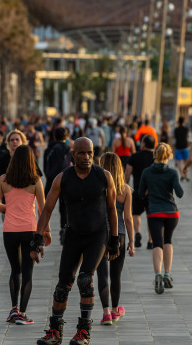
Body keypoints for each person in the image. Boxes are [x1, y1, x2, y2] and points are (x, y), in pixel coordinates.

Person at [31, 138, 120, 345]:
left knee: (85, 280)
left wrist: (114, 239)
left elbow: (112, 210)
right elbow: (47, 210)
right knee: (62, 286)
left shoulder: (104, 176)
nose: (87, 157)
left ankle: (83, 332)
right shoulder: (62, 178)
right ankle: (55, 332)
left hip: (97, 235)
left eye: (90, 153)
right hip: (73, 234)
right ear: (73, 155)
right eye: (82, 153)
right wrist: (37, 239)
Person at [0, 145, 48, 325]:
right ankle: (23, 313)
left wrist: (10, 208)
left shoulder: (3, 180)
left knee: (15, 270)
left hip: (9, 231)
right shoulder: (36, 181)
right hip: (29, 230)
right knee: (28, 274)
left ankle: (14, 310)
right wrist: (46, 232)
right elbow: (43, 209)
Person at [139, 143, 183, 294]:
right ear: (169, 156)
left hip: (154, 212)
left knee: (157, 243)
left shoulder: (146, 172)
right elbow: (180, 193)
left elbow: (140, 193)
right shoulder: (172, 172)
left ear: (154, 155)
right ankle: (167, 274)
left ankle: (157, 274)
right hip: (171, 212)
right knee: (168, 240)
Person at [96, 152, 134, 324]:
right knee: (116, 274)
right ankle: (115, 309)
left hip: (100, 232)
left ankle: (105, 313)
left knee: (102, 273)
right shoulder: (125, 189)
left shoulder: (97, 187)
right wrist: (132, 241)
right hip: (119, 234)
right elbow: (128, 218)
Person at [124, 134, 155, 249]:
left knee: (136, 214)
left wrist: (125, 184)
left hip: (137, 189)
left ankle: (137, 233)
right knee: (150, 216)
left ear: (144, 144)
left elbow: (128, 172)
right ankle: (151, 241)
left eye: (141, 142)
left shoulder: (134, 156)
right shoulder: (155, 157)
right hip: (152, 192)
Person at [42, 127, 72, 243]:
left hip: (51, 180)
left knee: (45, 207)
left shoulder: (49, 149)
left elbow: (45, 165)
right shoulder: (69, 149)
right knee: (64, 208)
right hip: (66, 181)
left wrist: (49, 175)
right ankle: (64, 230)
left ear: (55, 136)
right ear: (66, 137)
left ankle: (43, 229)